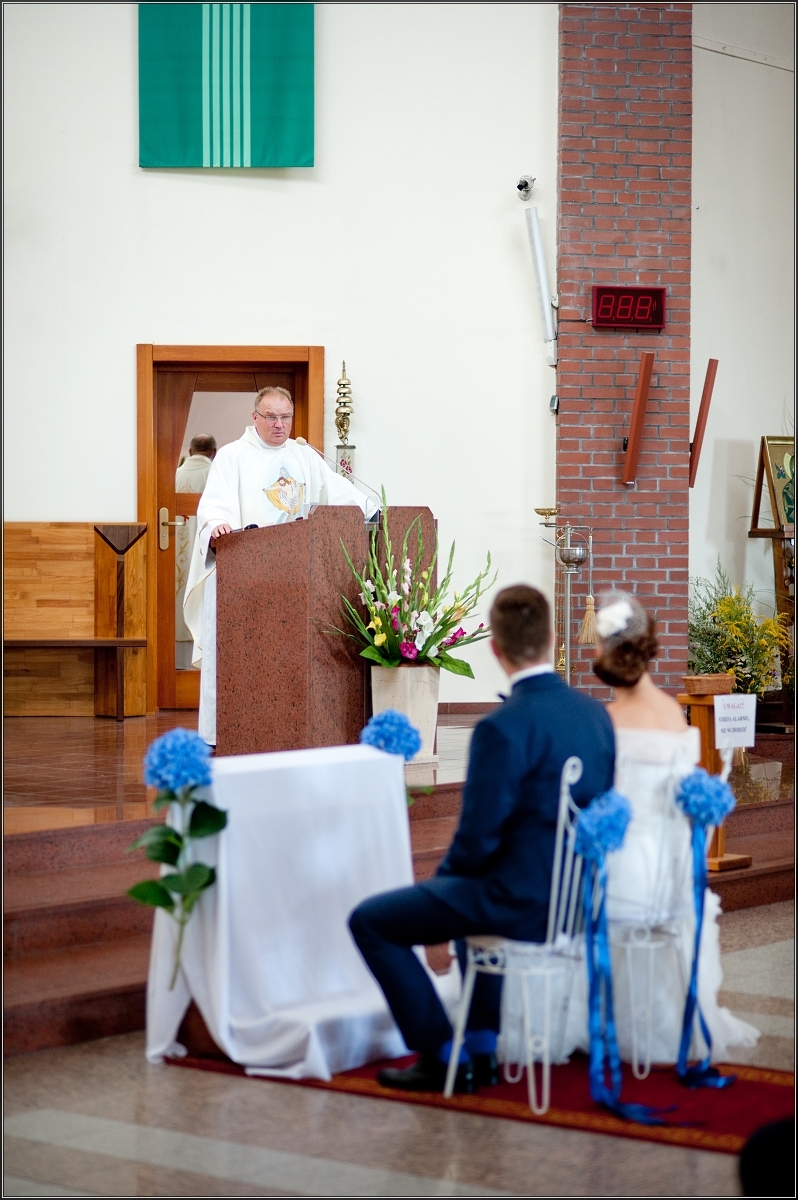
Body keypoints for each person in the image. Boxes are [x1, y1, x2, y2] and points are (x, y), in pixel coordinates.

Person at [348, 584, 616, 1093]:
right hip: (577, 900)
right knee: (472, 895)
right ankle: (481, 1049)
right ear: (553, 637)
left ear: (495, 648)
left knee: (372, 922)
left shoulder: (502, 727)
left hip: (515, 903)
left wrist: (441, 886)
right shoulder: (595, 715)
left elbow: (476, 840)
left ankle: (441, 1052)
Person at [589, 591, 759, 1063]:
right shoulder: (672, 713)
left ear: (605, 653)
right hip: (672, 879)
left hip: (618, 880)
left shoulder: (606, 721)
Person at [183, 387, 375, 745]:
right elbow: (213, 508)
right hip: (245, 577)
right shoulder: (232, 456)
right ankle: (229, 733)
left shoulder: (303, 455)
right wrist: (216, 526)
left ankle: (288, 728)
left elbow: (338, 491)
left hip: (296, 577)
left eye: (285, 417)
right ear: (254, 417)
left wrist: (372, 508)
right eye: (270, 417)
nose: (279, 424)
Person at [175, 436, 217, 670]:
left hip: (173, 545)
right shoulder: (215, 473)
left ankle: (178, 663)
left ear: (190, 451)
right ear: (214, 452)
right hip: (203, 548)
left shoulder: (176, 474)